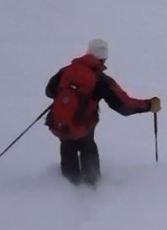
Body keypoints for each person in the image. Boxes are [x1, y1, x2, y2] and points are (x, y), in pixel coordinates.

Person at [45, 38, 160, 185]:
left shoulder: (66, 71)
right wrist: (149, 105)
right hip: (84, 126)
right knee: (88, 147)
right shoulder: (100, 80)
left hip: (60, 123)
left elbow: (49, 91)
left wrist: (67, 96)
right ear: (104, 58)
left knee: (67, 147)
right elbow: (124, 106)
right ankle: (92, 186)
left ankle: (69, 186)